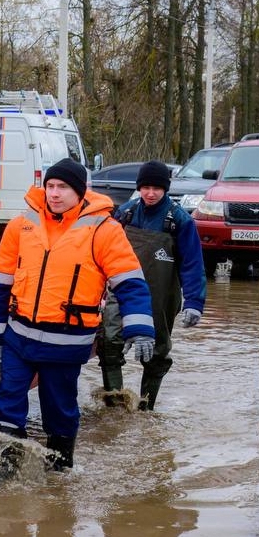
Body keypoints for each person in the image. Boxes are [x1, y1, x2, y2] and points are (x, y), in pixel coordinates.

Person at [0, 158, 155, 480]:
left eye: (63, 188)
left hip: (66, 341)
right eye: (50, 186)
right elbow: (1, 283)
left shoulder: (104, 230)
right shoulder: (22, 225)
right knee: (8, 401)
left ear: (80, 191)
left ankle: (59, 470)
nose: (54, 194)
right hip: (19, 336)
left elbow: (130, 283)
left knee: (59, 409)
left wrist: (140, 329)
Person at [97, 160, 206, 411]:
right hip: (121, 292)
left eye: (157, 188)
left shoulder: (179, 221)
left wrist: (194, 302)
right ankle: (115, 407)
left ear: (165, 189)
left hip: (162, 295)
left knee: (157, 353)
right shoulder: (124, 214)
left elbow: (192, 264)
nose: (150, 193)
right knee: (109, 343)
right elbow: (101, 254)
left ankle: (146, 410)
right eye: (145, 187)